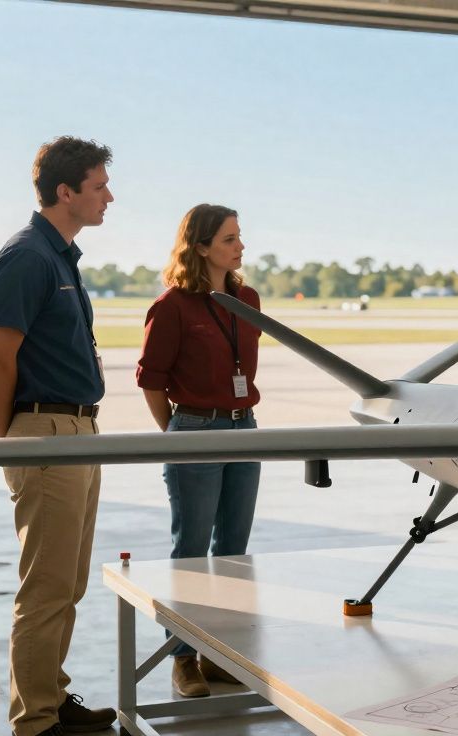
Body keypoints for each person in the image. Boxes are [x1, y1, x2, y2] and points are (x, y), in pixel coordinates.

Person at [0, 136, 117, 736]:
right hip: (48, 433)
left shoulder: (61, 256)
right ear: (65, 192)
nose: (108, 197)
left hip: (77, 430)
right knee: (46, 588)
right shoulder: (29, 257)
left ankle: (52, 698)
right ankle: (35, 723)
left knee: (69, 583)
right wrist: (12, 429)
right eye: (98, 186)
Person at [137, 204, 263, 697]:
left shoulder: (247, 298)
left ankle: (217, 652)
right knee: (190, 550)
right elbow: (151, 380)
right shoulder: (172, 306)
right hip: (195, 430)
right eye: (230, 239)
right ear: (202, 246)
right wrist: (180, 434)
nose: (240, 246)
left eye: (240, 236)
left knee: (233, 550)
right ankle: (182, 657)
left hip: (246, 429)